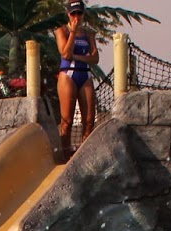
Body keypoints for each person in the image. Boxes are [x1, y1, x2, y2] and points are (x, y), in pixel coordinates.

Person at [56, 1, 100, 158]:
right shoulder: (62, 31)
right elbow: (66, 54)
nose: (76, 17)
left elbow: (95, 58)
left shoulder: (89, 34)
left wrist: (77, 56)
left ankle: (83, 155)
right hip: (68, 75)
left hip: (85, 74)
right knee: (67, 120)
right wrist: (73, 33)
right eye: (73, 13)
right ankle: (65, 154)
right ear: (68, 14)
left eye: (79, 13)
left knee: (89, 120)